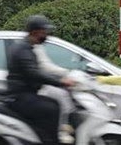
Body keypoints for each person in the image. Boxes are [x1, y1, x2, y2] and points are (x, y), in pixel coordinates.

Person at [6, 15, 75, 145]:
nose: (46, 35)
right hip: (20, 96)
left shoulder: (28, 47)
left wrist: (61, 78)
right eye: (44, 32)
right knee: (52, 108)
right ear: (35, 32)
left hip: (25, 93)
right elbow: (34, 73)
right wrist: (61, 82)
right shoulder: (23, 49)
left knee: (53, 104)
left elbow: (41, 70)